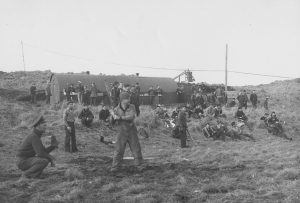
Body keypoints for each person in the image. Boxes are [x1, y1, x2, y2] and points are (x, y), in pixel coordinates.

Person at [16, 115, 58, 179]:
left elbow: (43, 151)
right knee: (43, 161)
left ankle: (34, 176)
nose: (45, 127)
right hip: (23, 161)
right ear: (38, 126)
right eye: (44, 125)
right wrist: (51, 158)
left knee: (44, 159)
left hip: (26, 160)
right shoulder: (34, 137)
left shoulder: (36, 136)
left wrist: (53, 146)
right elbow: (40, 153)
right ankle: (26, 174)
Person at [110, 92, 143, 172]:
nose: (129, 100)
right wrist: (112, 117)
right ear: (122, 100)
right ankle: (115, 166)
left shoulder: (132, 107)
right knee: (119, 149)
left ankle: (139, 165)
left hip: (131, 130)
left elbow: (131, 116)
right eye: (127, 98)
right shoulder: (116, 109)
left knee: (136, 148)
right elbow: (112, 123)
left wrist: (119, 117)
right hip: (121, 131)